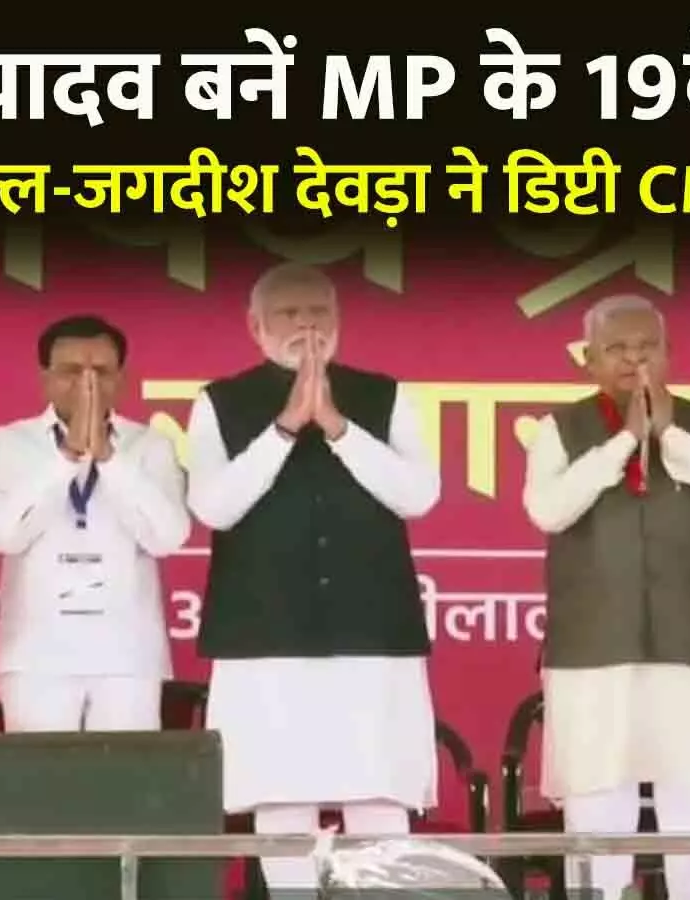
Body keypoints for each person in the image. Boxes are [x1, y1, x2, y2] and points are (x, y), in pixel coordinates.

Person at [184, 262, 441, 896]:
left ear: (339, 319)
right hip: (263, 634)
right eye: (289, 313)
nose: (306, 324)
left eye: (318, 311)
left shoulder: (385, 395)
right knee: (282, 802)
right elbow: (214, 506)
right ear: (255, 326)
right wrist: (284, 428)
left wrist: (337, 426)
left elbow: (418, 495)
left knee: (379, 799)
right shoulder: (219, 401)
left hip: (373, 632)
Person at [521, 294, 690, 900]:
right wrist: (623, 443)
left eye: (647, 347)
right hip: (592, 654)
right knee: (597, 814)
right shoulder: (559, 430)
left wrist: (671, 438)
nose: (635, 361)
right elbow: (548, 510)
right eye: (617, 349)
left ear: (669, 354)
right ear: (589, 361)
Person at [0, 315, 190, 732]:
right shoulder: (11, 441)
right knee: (39, 773)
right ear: (45, 379)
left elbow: (169, 538)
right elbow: (6, 534)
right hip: (35, 654)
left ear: (121, 379)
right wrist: (66, 458)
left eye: (101, 372)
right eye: (72, 371)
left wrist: (110, 460)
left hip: (128, 655)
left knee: (125, 772)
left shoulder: (150, 445)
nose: (87, 383)